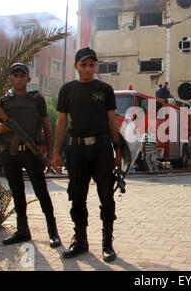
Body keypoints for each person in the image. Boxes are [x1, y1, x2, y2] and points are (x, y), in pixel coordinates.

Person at [51, 47, 123, 262]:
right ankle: (81, 241)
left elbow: (112, 122)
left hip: (101, 148)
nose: (88, 68)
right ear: (76, 66)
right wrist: (55, 150)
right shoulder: (67, 90)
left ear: (95, 67)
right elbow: (61, 121)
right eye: (83, 65)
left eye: (91, 64)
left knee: (106, 196)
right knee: (77, 195)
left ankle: (107, 244)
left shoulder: (105, 89)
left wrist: (118, 150)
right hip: (76, 149)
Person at [0, 63, 60, 248]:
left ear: (29, 79)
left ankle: (52, 231)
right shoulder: (4, 102)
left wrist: (49, 151)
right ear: (10, 79)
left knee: (41, 191)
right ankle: (23, 231)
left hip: (31, 152)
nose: (20, 78)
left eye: (23, 75)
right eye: (16, 75)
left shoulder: (37, 100)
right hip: (10, 153)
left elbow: (46, 127)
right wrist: (1, 132)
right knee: (17, 193)